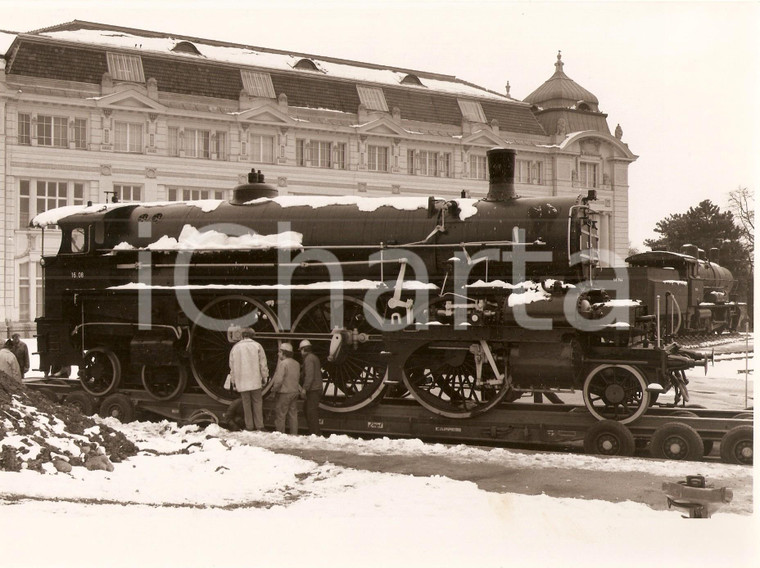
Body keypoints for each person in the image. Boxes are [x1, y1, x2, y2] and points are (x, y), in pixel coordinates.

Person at [228, 328, 269, 431]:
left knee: (246, 404)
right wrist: (265, 377)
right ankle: (260, 426)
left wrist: (233, 381)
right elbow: (263, 363)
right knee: (257, 402)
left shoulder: (235, 348)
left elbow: (232, 366)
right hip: (255, 380)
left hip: (242, 381)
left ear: (242, 335)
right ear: (252, 336)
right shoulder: (257, 346)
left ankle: (249, 426)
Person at [270, 342, 301, 435]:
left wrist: (273, 390)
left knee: (281, 415)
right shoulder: (297, 363)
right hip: (294, 392)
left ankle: (280, 435)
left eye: (279, 352)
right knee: (293, 415)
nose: (278, 353)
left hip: (284, 393)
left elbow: (279, 380)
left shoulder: (283, 364)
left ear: (284, 353)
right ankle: (294, 434)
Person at [299, 339, 323, 435]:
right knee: (308, 410)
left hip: (313, 389)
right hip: (316, 388)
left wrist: (305, 389)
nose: (300, 352)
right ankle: (313, 432)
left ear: (304, 349)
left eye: (301, 350)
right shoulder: (314, 357)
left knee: (311, 412)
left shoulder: (308, 359)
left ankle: (315, 433)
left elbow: (310, 375)